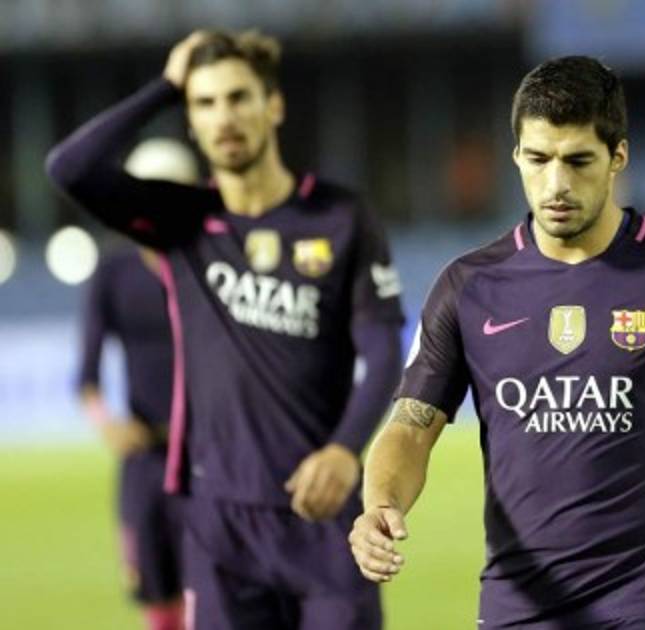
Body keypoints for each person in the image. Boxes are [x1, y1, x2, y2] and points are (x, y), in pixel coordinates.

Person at [347, 56, 645, 630]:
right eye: (538, 159)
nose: (556, 184)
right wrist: (380, 504)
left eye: (578, 161)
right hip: (518, 601)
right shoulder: (468, 288)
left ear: (617, 157)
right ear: (516, 157)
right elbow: (410, 425)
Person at [47, 30, 404, 630]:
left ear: (274, 105)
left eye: (239, 97)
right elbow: (69, 168)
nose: (224, 117)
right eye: (205, 103)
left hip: (324, 514)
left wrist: (346, 450)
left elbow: (382, 347)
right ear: (190, 121)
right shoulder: (182, 219)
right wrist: (166, 86)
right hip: (220, 528)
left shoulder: (341, 217)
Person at [78, 137, 198, 630]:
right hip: (145, 463)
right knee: (157, 598)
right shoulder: (114, 270)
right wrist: (107, 424)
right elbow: (86, 375)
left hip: (210, 457)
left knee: (210, 596)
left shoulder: (211, 263)